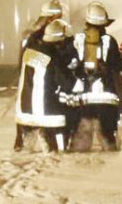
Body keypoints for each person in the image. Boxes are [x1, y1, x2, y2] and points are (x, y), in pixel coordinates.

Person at [63, 0, 122, 152]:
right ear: (104, 24)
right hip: (106, 102)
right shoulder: (109, 42)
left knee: (81, 143)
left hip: (82, 102)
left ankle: (80, 170)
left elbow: (67, 65)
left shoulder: (76, 41)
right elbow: (119, 66)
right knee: (108, 141)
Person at [14, 16, 76, 152]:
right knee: (57, 149)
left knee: (25, 150)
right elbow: (65, 82)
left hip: (25, 110)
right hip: (46, 112)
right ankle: (51, 144)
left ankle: (26, 143)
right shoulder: (53, 56)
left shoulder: (29, 52)